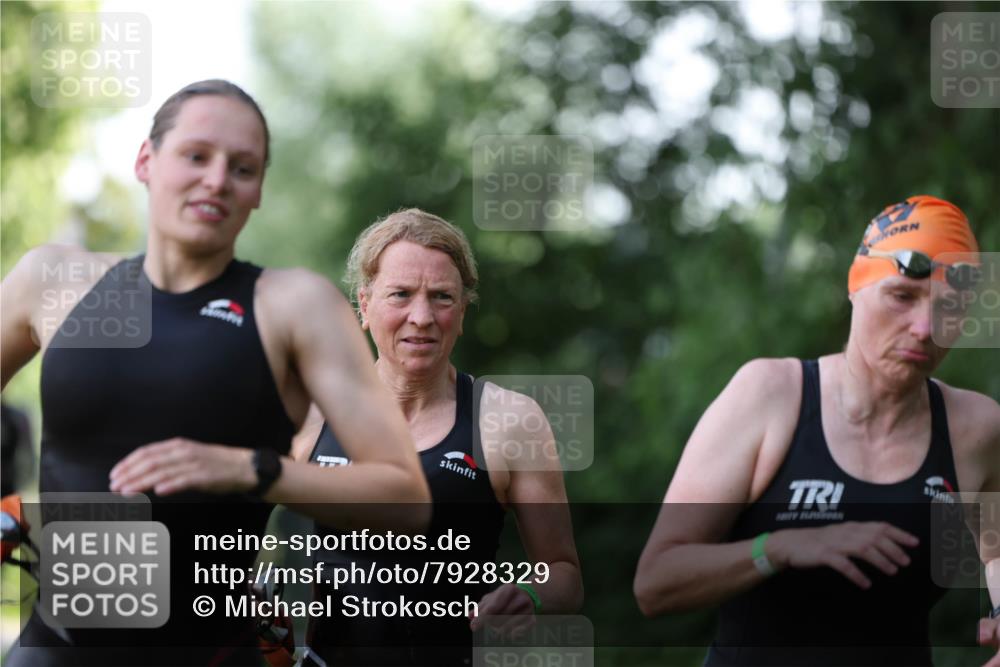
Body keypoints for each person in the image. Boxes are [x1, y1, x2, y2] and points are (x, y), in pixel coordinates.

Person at [0, 80, 429, 666]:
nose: (218, 179)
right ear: (146, 161)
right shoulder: (53, 282)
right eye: (196, 155)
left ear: (258, 191)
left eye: (242, 168)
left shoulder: (295, 306)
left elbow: (405, 499)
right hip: (55, 652)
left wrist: (249, 469)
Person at [634, 195, 1000, 666]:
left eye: (950, 306)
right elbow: (656, 582)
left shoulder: (975, 428)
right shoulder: (770, 395)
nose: (926, 327)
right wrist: (781, 548)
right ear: (856, 286)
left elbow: (996, 554)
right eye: (902, 296)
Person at [289, 208, 584, 665]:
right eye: (401, 294)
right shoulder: (312, 414)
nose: (422, 317)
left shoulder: (508, 421)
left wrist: (530, 592)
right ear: (364, 305)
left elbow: (564, 575)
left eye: (442, 297)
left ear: (462, 312)